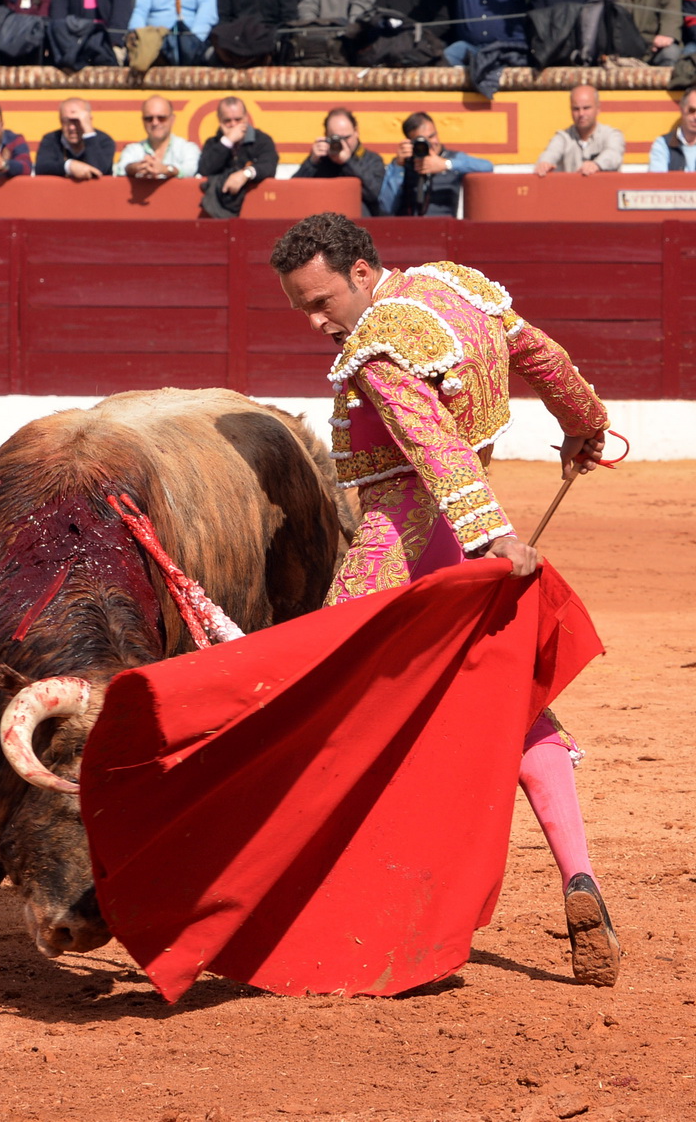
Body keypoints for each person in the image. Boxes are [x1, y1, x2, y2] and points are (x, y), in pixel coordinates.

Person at [269, 211, 620, 989]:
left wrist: (494, 536)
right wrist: (585, 425)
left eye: (323, 301)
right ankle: (579, 874)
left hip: (407, 546)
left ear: (362, 271)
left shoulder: (377, 347)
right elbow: (544, 357)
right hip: (467, 534)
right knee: (513, 699)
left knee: (341, 705)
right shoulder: (456, 284)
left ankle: (369, 910)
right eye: (303, 309)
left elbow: (431, 445)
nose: (318, 321)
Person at [378, 111, 493, 217]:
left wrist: (446, 164)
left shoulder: (452, 158)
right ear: (411, 142)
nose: (432, 143)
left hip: (445, 230)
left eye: (432, 136)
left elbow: (487, 166)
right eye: (423, 140)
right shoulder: (402, 163)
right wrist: (399, 167)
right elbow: (386, 208)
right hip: (408, 229)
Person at [291, 107, 384, 219]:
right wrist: (311, 163)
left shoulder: (371, 160)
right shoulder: (320, 160)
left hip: (358, 225)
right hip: (323, 226)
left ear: (356, 132)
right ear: (326, 135)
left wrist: (348, 162)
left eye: (346, 137)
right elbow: (293, 193)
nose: (341, 142)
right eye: (336, 138)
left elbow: (373, 193)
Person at [197, 96, 278, 217]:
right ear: (219, 121)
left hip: (256, 209)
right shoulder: (214, 143)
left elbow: (269, 165)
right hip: (217, 212)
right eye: (227, 121)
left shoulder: (262, 140)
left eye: (238, 119)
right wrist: (228, 141)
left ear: (246, 118)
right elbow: (205, 169)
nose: (233, 125)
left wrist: (246, 174)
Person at [534, 84, 625, 176]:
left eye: (586, 108)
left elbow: (614, 154)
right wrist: (544, 164)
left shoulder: (612, 134)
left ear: (598, 109)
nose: (581, 114)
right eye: (576, 109)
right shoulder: (563, 137)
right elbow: (551, 153)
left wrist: (596, 164)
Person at [115, 94, 201, 179]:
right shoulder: (133, 150)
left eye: (161, 118)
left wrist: (166, 169)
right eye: (149, 118)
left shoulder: (187, 149)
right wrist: (136, 168)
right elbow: (119, 169)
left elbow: (190, 170)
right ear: (143, 121)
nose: (155, 123)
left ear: (172, 119)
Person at [34, 96, 115, 179]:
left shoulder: (104, 141)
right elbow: (40, 168)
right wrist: (69, 166)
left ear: (88, 120)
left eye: (76, 121)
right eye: (66, 121)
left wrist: (89, 134)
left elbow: (99, 170)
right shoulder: (52, 139)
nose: (71, 128)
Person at [648, 84, 696, 171]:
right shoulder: (663, 144)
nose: (695, 116)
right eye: (691, 110)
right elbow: (656, 181)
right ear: (682, 110)